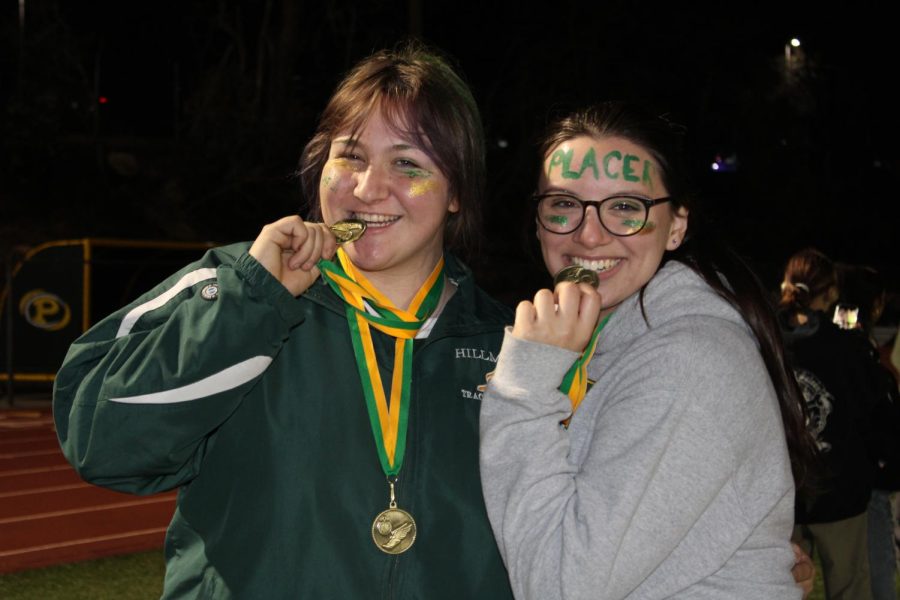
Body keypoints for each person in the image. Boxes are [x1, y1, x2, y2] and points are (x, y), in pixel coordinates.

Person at [53, 44, 516, 598]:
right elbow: (101, 443)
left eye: (408, 163)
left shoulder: (509, 346)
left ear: (458, 191)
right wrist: (250, 306)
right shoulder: (238, 290)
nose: (368, 189)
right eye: (349, 156)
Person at [479, 102, 815, 599]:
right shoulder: (583, 342)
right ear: (538, 219)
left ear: (676, 225)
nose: (588, 234)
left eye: (625, 208)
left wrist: (521, 387)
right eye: (564, 204)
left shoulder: (690, 361)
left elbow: (559, 586)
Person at [778, 249, 883, 600]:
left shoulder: (766, 341)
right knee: (849, 588)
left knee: (781, 588)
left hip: (782, 492)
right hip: (840, 493)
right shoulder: (846, 350)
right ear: (832, 292)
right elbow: (872, 415)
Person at [837, 264, 900, 600]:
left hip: (836, 472)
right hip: (865, 474)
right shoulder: (857, 348)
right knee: (874, 568)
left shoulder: (835, 337)